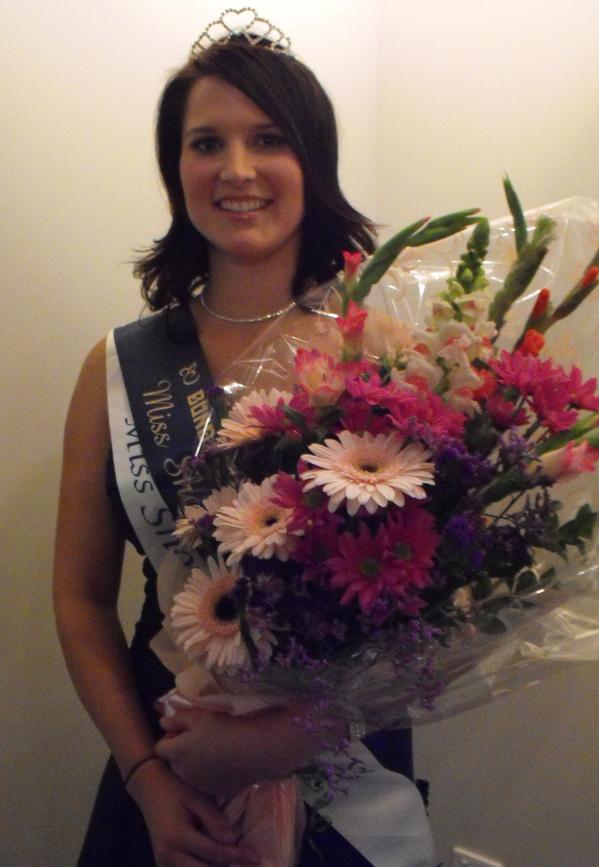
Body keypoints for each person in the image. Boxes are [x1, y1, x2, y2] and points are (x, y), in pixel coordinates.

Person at [54, 10, 434, 866]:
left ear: (313, 161)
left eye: (268, 138)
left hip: (347, 767)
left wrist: (295, 731)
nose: (236, 169)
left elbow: (440, 607)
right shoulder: (117, 367)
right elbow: (81, 599)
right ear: (174, 167)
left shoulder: (382, 350)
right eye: (204, 143)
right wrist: (147, 775)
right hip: (171, 756)